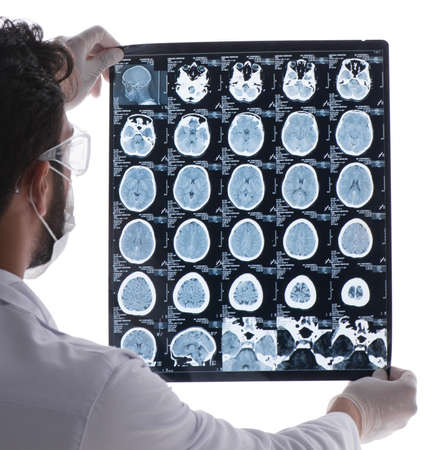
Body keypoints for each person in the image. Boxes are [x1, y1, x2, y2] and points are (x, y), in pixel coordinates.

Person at [0, 17, 417, 450]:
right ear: (40, 184)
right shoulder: (98, 394)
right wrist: (357, 416)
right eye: (66, 152)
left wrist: (34, 84)